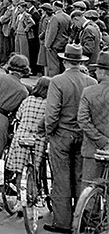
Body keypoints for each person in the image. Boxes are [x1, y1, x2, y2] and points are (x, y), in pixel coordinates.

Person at [45, 43, 96, 233]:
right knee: (81, 177)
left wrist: (49, 130)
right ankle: (81, 216)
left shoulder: (57, 81)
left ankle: (62, 222)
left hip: (62, 133)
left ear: (65, 61)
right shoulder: (91, 82)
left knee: (61, 178)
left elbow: (52, 113)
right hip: (83, 134)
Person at [5, 76, 50, 177]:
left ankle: (18, 189)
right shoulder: (49, 104)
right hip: (38, 137)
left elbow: (18, 116)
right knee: (34, 168)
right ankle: (32, 189)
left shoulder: (27, 100)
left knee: (18, 169)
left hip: (22, 135)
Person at [78, 51, 109, 183]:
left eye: (97, 69)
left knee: (89, 191)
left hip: (93, 150)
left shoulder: (89, 92)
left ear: (102, 72)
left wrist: (102, 141)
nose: (95, 72)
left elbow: (83, 120)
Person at [43, 1, 71, 77]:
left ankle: (52, 80)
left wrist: (48, 45)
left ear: (55, 7)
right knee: (62, 65)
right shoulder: (68, 17)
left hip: (54, 45)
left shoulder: (55, 18)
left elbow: (52, 33)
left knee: (53, 65)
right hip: (64, 43)